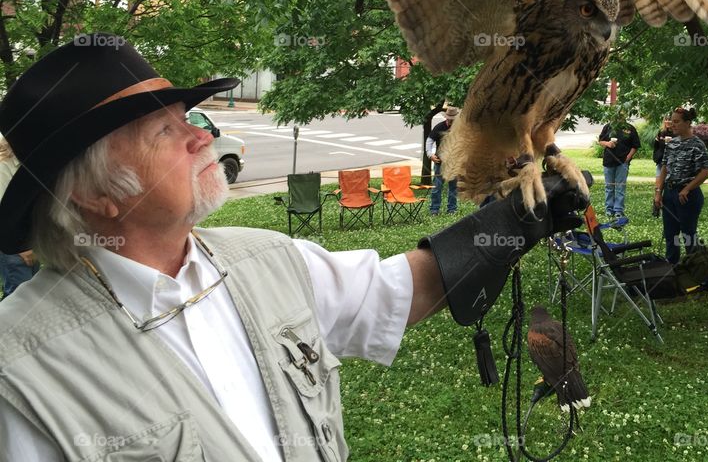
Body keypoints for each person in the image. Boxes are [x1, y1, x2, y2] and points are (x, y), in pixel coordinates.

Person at [0, 34, 589, 461]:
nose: (201, 135)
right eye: (165, 130)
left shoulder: (267, 258)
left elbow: (389, 293)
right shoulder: (21, 373)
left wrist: (511, 223)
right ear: (98, 193)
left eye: (188, 118)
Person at [654, 106, 708, 265]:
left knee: (688, 234)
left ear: (688, 123)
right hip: (670, 194)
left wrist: (687, 188)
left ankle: (695, 269)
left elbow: (705, 171)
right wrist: (658, 192)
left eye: (676, 122)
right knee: (670, 234)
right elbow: (664, 169)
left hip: (688, 196)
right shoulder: (671, 144)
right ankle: (672, 269)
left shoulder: (697, 144)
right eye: (671, 122)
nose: (672, 125)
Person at [0, 142, 38, 299]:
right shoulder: (3, 167)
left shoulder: (29, 164)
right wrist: (21, 249)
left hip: (29, 241)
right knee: (19, 295)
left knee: (34, 288)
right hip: (12, 247)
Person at [598, 108, 640, 220]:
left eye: (621, 115)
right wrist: (608, 143)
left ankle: (618, 210)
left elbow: (635, 145)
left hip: (622, 162)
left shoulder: (630, 129)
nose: (619, 118)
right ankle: (609, 209)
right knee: (609, 186)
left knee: (620, 187)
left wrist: (628, 158)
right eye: (617, 115)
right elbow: (601, 140)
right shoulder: (608, 127)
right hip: (608, 161)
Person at [426, 106, 459, 215]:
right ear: (446, 118)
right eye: (449, 118)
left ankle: (452, 209)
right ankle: (434, 209)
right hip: (440, 162)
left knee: (453, 188)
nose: (450, 121)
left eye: (453, 119)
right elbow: (429, 141)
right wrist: (430, 154)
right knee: (437, 187)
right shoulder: (439, 127)